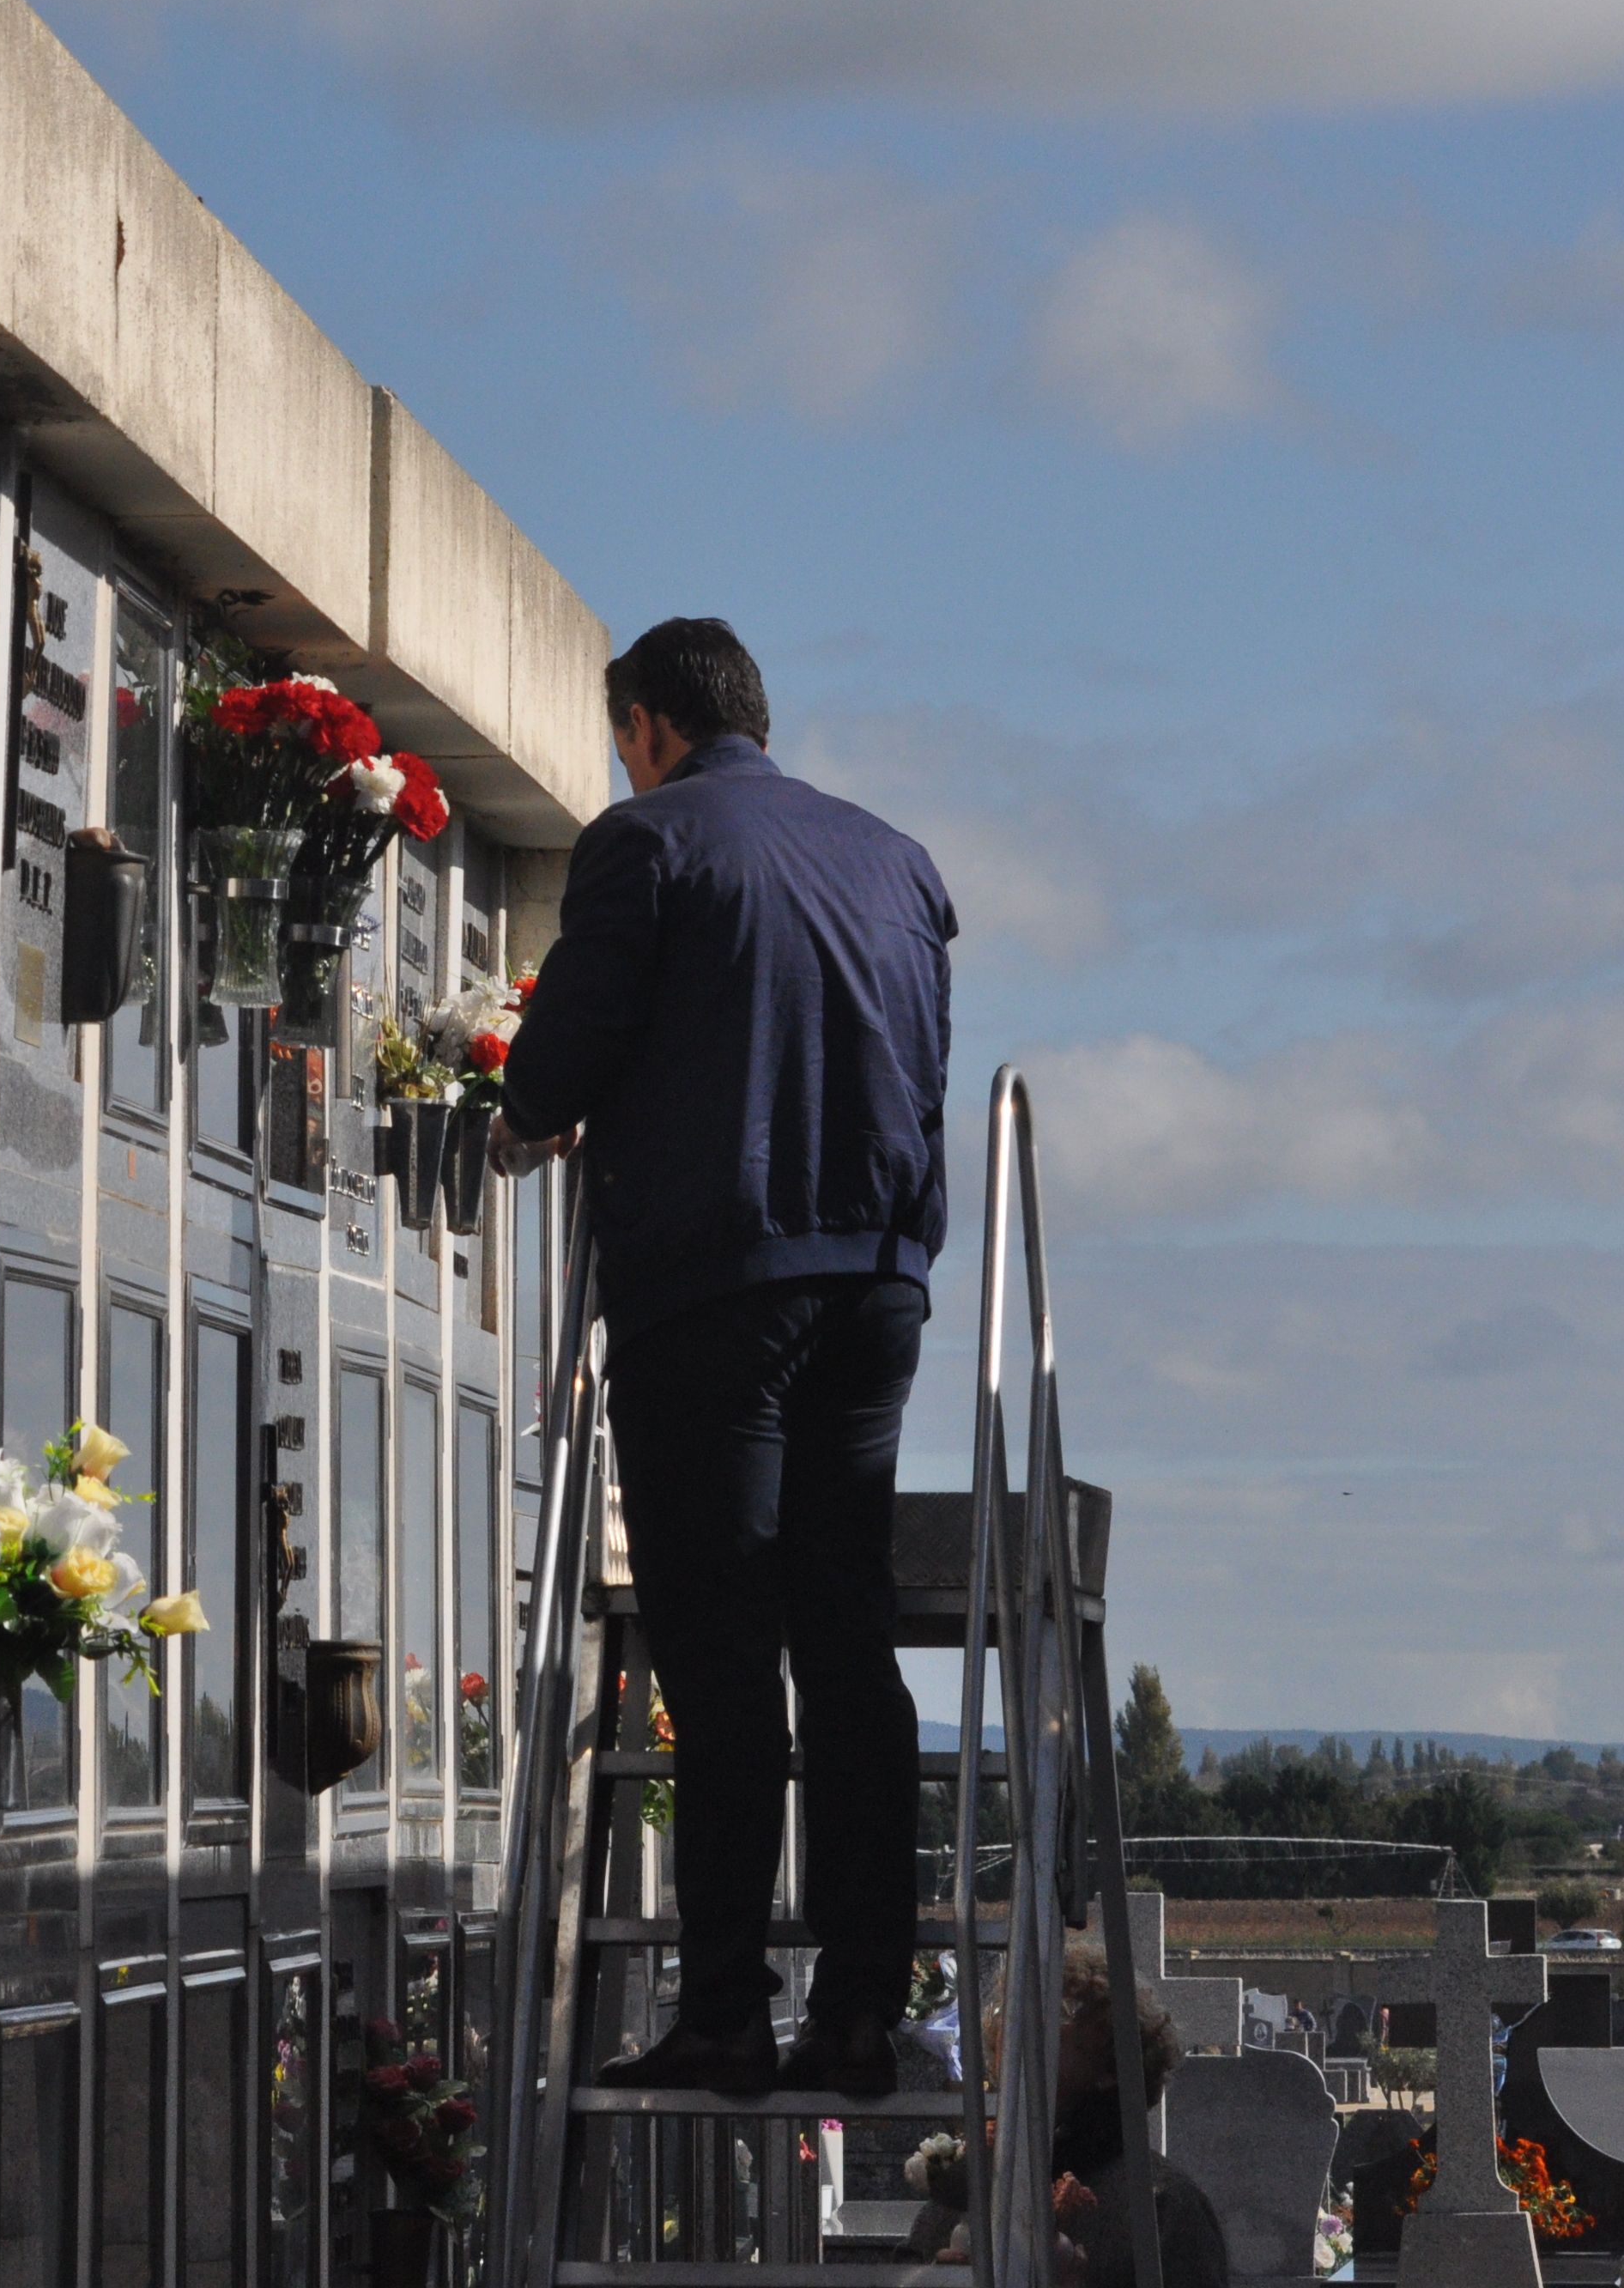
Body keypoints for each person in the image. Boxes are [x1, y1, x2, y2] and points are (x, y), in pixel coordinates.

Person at [500, 617, 958, 2097]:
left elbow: (558, 1066)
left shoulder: (647, 845)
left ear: (644, 725)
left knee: (717, 1648)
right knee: (847, 1643)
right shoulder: (897, 860)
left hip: (717, 1284)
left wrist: (540, 1104)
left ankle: (722, 2007)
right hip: (877, 1285)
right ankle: (863, 2004)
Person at [898, 1947, 1227, 2288]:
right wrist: (934, 2279)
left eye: (1060, 2010)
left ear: (1113, 2061)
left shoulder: (1162, 2207)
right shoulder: (972, 2184)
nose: (1018, 2022)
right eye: (1008, 2009)